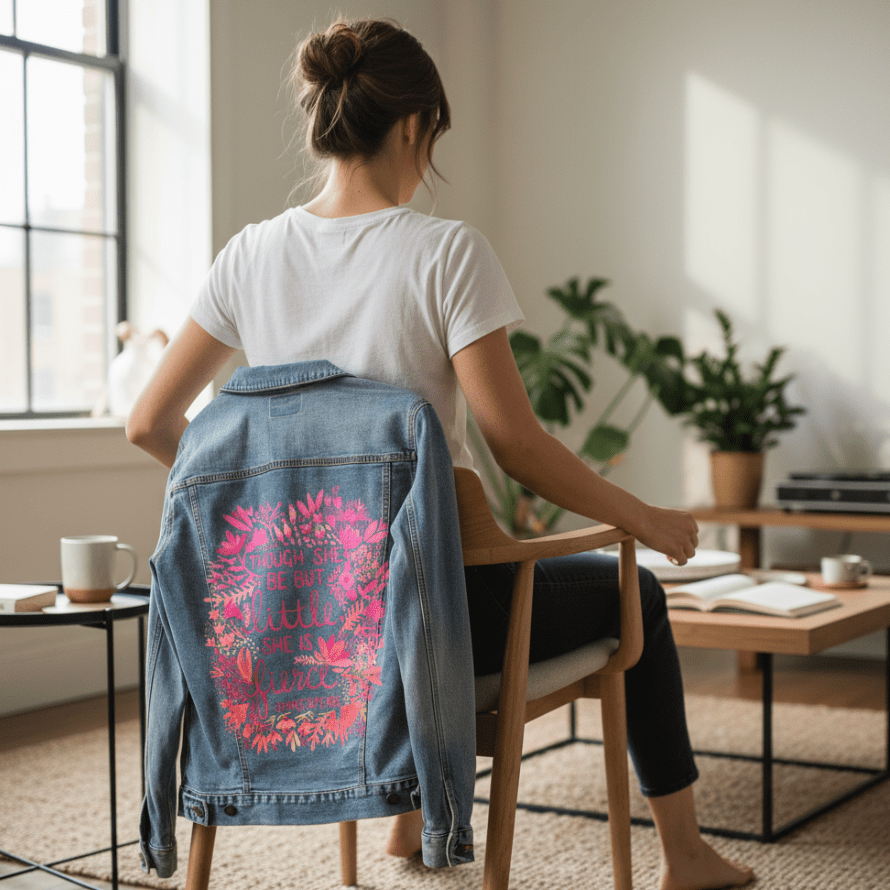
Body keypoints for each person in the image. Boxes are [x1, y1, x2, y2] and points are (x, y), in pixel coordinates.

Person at [127, 18, 753, 890]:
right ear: (417, 126)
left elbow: (151, 423)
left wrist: (261, 526)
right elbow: (516, 445)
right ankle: (684, 858)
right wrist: (644, 519)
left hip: (300, 622)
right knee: (636, 591)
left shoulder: (247, 258)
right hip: (436, 623)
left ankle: (405, 818)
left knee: (423, 576)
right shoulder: (445, 253)